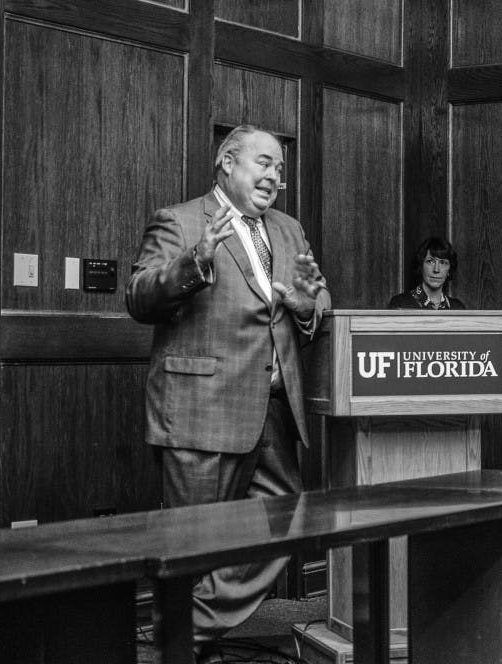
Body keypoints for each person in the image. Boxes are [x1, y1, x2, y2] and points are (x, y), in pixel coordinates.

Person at [126, 124, 330, 660]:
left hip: (274, 410)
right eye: (264, 163)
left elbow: (316, 293)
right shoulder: (182, 220)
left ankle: (182, 638)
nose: (274, 178)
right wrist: (195, 261)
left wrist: (311, 306)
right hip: (200, 411)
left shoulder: (288, 230)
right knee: (194, 547)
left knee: (281, 519)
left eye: (281, 170)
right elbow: (139, 296)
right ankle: (186, 647)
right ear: (226, 162)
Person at [388, 236, 467, 309]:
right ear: (421, 266)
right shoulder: (401, 304)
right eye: (430, 261)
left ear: (449, 270)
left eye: (443, 263)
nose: (436, 269)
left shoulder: (457, 307)